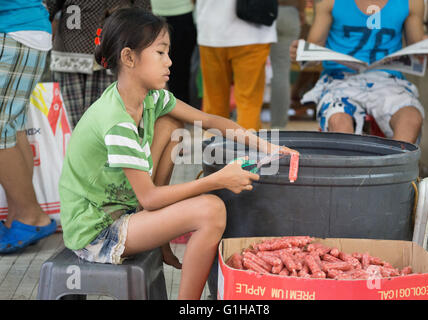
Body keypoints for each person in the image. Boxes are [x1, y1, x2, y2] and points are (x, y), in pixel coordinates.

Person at [58, 8, 297, 300]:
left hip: (127, 210)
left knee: (172, 124)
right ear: (129, 57)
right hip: (97, 232)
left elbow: (212, 121)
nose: (169, 61)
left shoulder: (151, 98)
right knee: (211, 210)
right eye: (160, 53)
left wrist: (269, 147)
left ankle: (157, 233)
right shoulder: (116, 120)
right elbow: (149, 198)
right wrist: (218, 180)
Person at [289, 0, 428, 144]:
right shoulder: (329, 1)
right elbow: (314, 48)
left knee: (411, 120)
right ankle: (351, 169)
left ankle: (394, 167)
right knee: (339, 122)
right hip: (338, 81)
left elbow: (417, 52)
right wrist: (300, 53)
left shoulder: (411, 2)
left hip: (389, 81)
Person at [0, 0, 57, 253]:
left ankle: (30, 215)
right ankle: (19, 217)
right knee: (12, 126)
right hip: (22, 28)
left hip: (12, 30)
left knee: (3, 129)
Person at [46, 0, 151, 128]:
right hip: (70, 56)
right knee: (70, 124)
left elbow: (144, 15)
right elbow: (47, 9)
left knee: (110, 123)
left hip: (114, 52)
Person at [194, 0, 277, 131]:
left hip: (211, 29)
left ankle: (214, 147)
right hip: (253, 33)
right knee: (248, 102)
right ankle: (248, 148)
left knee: (214, 101)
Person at [150, 0, 197, 105]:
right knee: (155, 71)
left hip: (183, 13)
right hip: (153, 14)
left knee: (181, 72)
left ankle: (181, 114)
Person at [270, 0, 307, 128]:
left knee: (250, 69)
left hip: (260, 13)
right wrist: (301, 11)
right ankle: (278, 126)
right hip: (289, 11)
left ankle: (243, 120)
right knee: (281, 72)